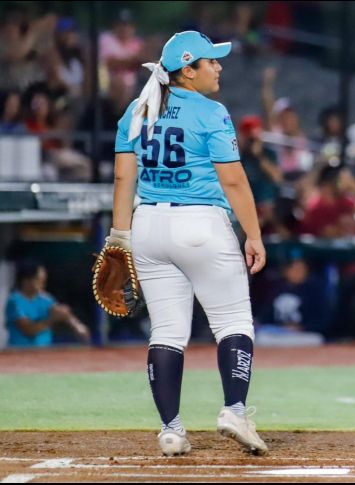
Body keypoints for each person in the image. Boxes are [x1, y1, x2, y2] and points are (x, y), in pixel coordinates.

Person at [108, 31, 268, 457]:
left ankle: (172, 430)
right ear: (188, 70)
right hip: (200, 225)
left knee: (166, 331)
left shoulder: (137, 109)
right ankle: (235, 410)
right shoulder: (211, 111)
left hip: (148, 224)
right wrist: (253, 234)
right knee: (233, 321)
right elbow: (233, 181)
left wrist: (119, 237)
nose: (218, 66)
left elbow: (123, 178)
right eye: (210, 61)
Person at [5, 261, 90, 348]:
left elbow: (61, 313)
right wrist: (51, 320)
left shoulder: (45, 299)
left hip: (44, 351)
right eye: (38, 280)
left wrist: (76, 326)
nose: (42, 284)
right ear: (26, 281)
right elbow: (28, 330)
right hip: (20, 351)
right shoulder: (15, 301)